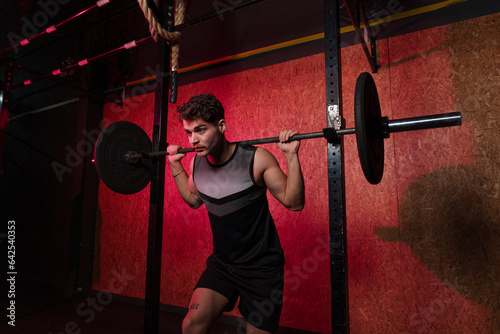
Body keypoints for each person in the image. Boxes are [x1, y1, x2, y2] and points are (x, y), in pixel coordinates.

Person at [167, 93, 305, 334]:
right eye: (189, 133)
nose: (193, 140)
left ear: (221, 126)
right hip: (223, 263)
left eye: (200, 130)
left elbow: (294, 203)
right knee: (191, 326)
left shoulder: (256, 159)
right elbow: (193, 200)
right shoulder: (196, 164)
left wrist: (291, 155)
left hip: (261, 270)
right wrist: (175, 164)